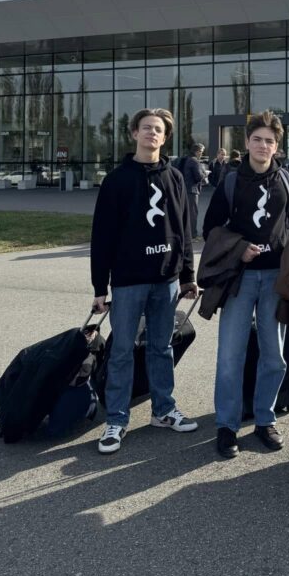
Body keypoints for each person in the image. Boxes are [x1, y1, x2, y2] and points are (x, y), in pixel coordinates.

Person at [90, 107, 198, 455]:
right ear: (134, 133)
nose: (153, 133)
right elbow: (102, 237)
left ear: (165, 138)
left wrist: (187, 275)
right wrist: (99, 288)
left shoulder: (174, 177)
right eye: (147, 128)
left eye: (159, 129)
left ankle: (163, 410)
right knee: (121, 351)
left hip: (166, 280)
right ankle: (116, 420)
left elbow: (183, 229)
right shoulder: (116, 180)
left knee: (161, 348)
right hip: (128, 281)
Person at [202, 110, 289, 459]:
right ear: (247, 142)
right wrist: (238, 248)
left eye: (269, 141)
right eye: (257, 139)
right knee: (230, 357)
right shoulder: (231, 181)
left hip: (275, 279)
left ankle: (265, 419)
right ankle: (227, 426)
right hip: (239, 279)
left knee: (274, 357)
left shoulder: (288, 180)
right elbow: (210, 228)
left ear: (277, 146)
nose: (263, 145)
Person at [183, 143, 206, 239]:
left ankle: (187, 234)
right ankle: (193, 235)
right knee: (193, 213)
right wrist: (205, 174)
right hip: (192, 190)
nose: (202, 154)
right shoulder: (194, 161)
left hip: (185, 189)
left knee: (187, 213)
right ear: (197, 151)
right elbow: (198, 177)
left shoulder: (186, 159)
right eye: (201, 152)